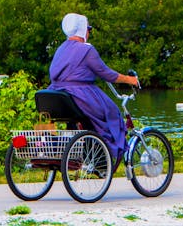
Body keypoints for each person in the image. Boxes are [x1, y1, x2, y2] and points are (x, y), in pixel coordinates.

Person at [48, 13, 138, 161]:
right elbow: (106, 73)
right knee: (111, 112)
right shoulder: (86, 50)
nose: (89, 32)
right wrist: (130, 80)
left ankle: (92, 154)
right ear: (83, 29)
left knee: (89, 119)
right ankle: (108, 153)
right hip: (80, 95)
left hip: (58, 94)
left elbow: (54, 73)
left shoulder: (61, 49)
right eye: (88, 28)